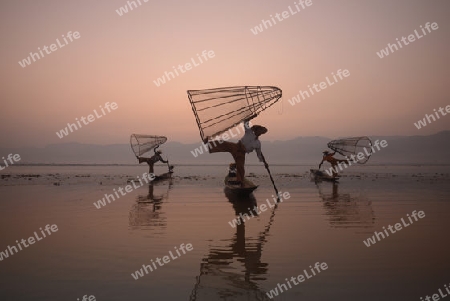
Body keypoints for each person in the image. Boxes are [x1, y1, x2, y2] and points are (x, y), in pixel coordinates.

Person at [207, 120, 268, 187]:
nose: (259, 132)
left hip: (242, 154)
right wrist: (248, 118)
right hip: (237, 147)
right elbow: (245, 123)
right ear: (255, 130)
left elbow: (259, 155)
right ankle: (209, 143)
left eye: (260, 132)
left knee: (241, 168)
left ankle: (239, 182)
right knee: (224, 144)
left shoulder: (258, 143)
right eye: (258, 130)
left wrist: (265, 163)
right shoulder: (249, 132)